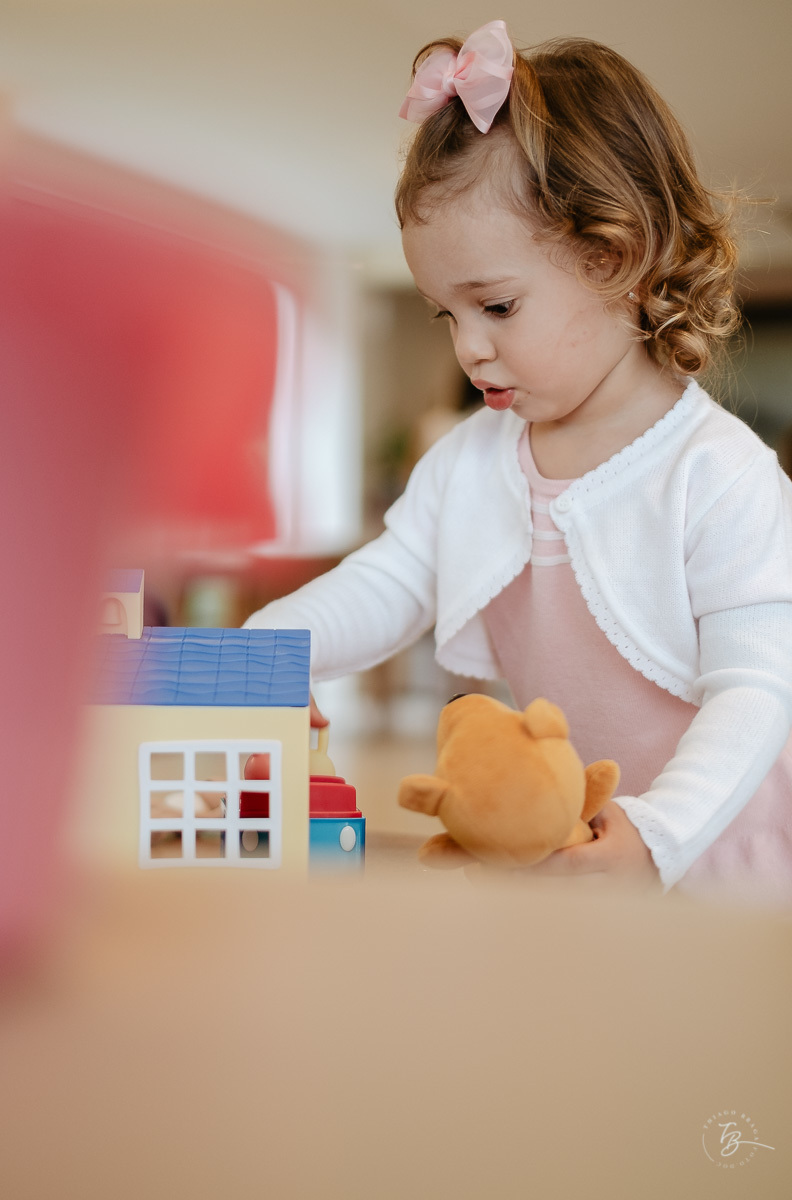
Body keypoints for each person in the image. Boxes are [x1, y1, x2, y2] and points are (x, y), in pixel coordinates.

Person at [245, 21, 792, 903]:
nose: (468, 348)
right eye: (447, 315)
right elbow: (391, 579)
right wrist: (269, 653)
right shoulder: (470, 460)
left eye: (496, 306)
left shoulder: (718, 473)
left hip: (728, 868)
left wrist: (659, 834)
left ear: (616, 260)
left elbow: (758, 687)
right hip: (575, 846)